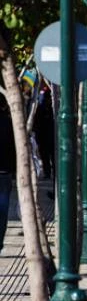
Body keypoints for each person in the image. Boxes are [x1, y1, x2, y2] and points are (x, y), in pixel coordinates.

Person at [0, 94, 16, 255]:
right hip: (5, 171)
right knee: (3, 208)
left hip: (5, 170)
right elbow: (14, 148)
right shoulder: (9, 122)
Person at [33, 86, 55, 179]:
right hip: (46, 138)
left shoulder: (49, 109)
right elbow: (37, 124)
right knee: (48, 157)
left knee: (49, 158)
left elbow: (36, 124)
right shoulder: (43, 109)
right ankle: (49, 173)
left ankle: (49, 173)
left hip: (48, 138)